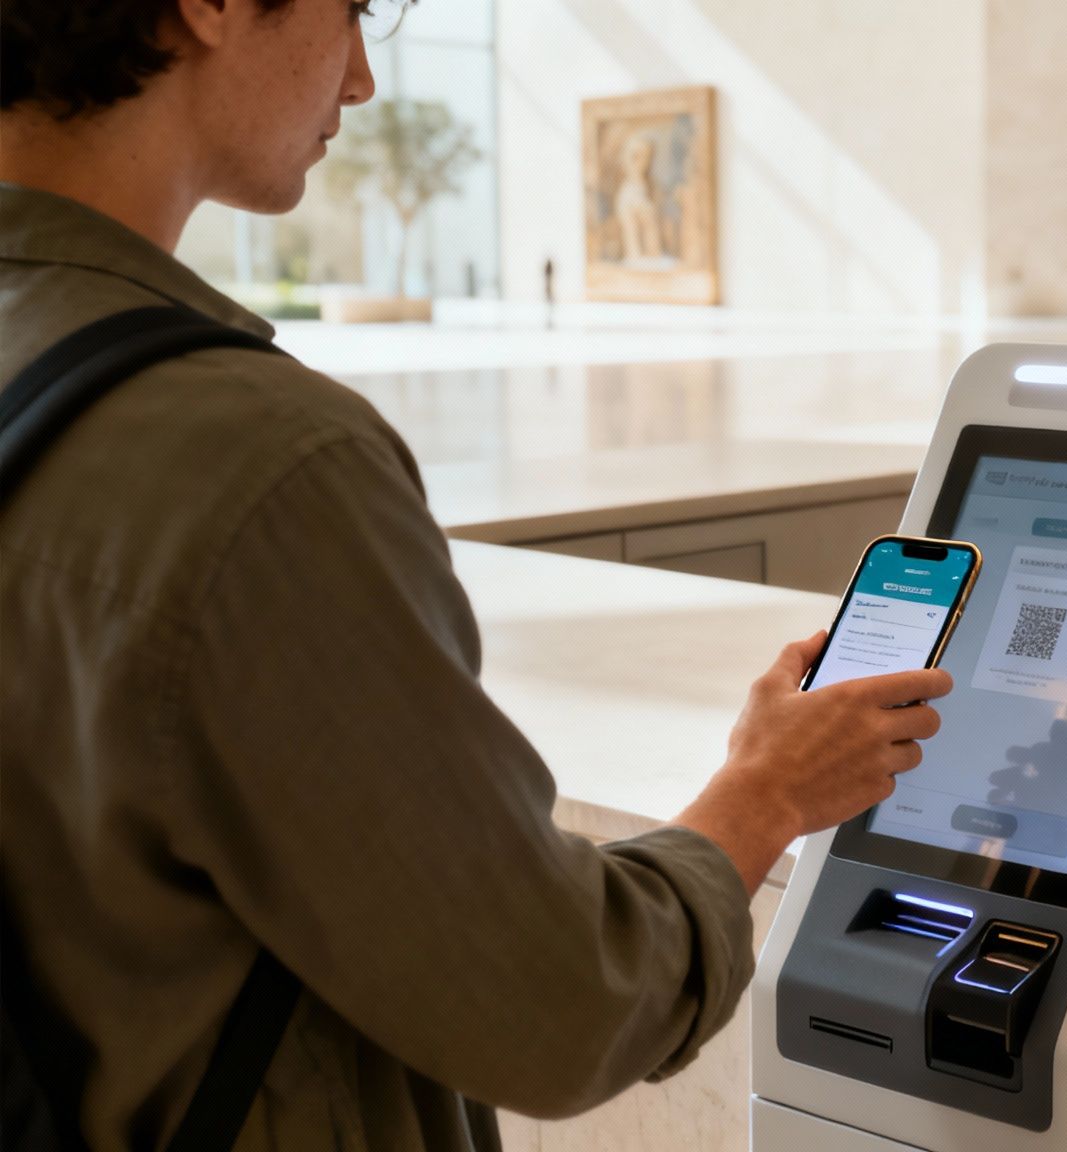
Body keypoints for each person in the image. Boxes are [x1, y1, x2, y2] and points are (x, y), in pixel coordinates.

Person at [0, 1, 952, 1149]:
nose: (357, 80)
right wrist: (768, 790)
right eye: (345, 11)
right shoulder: (254, 460)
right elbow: (556, 1004)